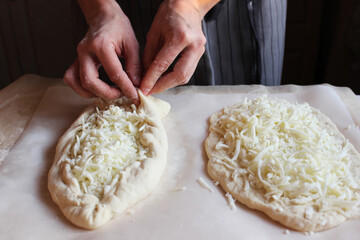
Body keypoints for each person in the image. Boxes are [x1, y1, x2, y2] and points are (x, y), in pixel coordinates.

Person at [64, 0, 287, 105]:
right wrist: (100, 10)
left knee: (255, 121)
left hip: (236, 11)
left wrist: (192, 5)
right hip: (116, 10)